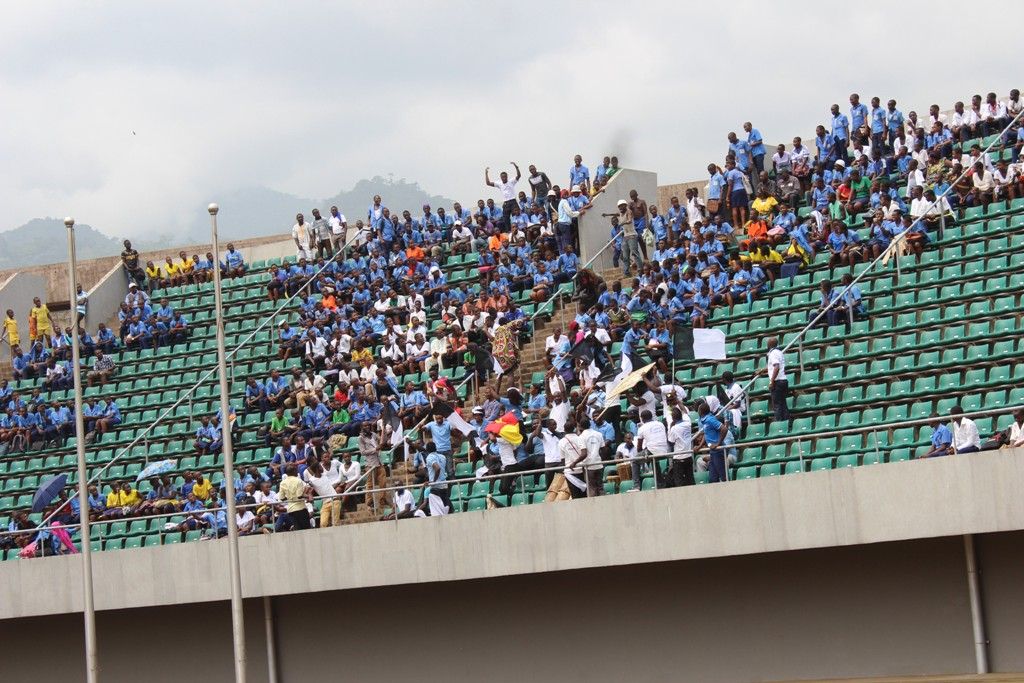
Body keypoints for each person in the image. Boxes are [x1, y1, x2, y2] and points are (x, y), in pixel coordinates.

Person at [697, 402, 726, 483]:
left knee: (723, 476)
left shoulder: (710, 419)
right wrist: (699, 446)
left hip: (718, 451)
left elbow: (724, 429)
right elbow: (707, 435)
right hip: (712, 451)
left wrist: (718, 443)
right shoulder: (705, 421)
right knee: (713, 478)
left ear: (701, 411)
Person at [279, 463, 311, 530]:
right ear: (293, 471)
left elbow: (282, 498)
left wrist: (290, 498)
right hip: (301, 509)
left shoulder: (282, 483)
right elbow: (299, 495)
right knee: (307, 530)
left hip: (291, 510)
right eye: (296, 470)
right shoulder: (298, 481)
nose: (298, 472)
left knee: (297, 530)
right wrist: (308, 496)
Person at [766, 336, 789, 422]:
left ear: (769, 344)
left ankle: (780, 425)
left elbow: (776, 366)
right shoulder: (779, 352)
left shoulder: (772, 354)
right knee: (783, 404)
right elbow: (774, 366)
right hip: (783, 380)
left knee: (777, 405)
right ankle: (786, 424)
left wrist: (771, 381)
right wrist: (762, 370)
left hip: (777, 382)